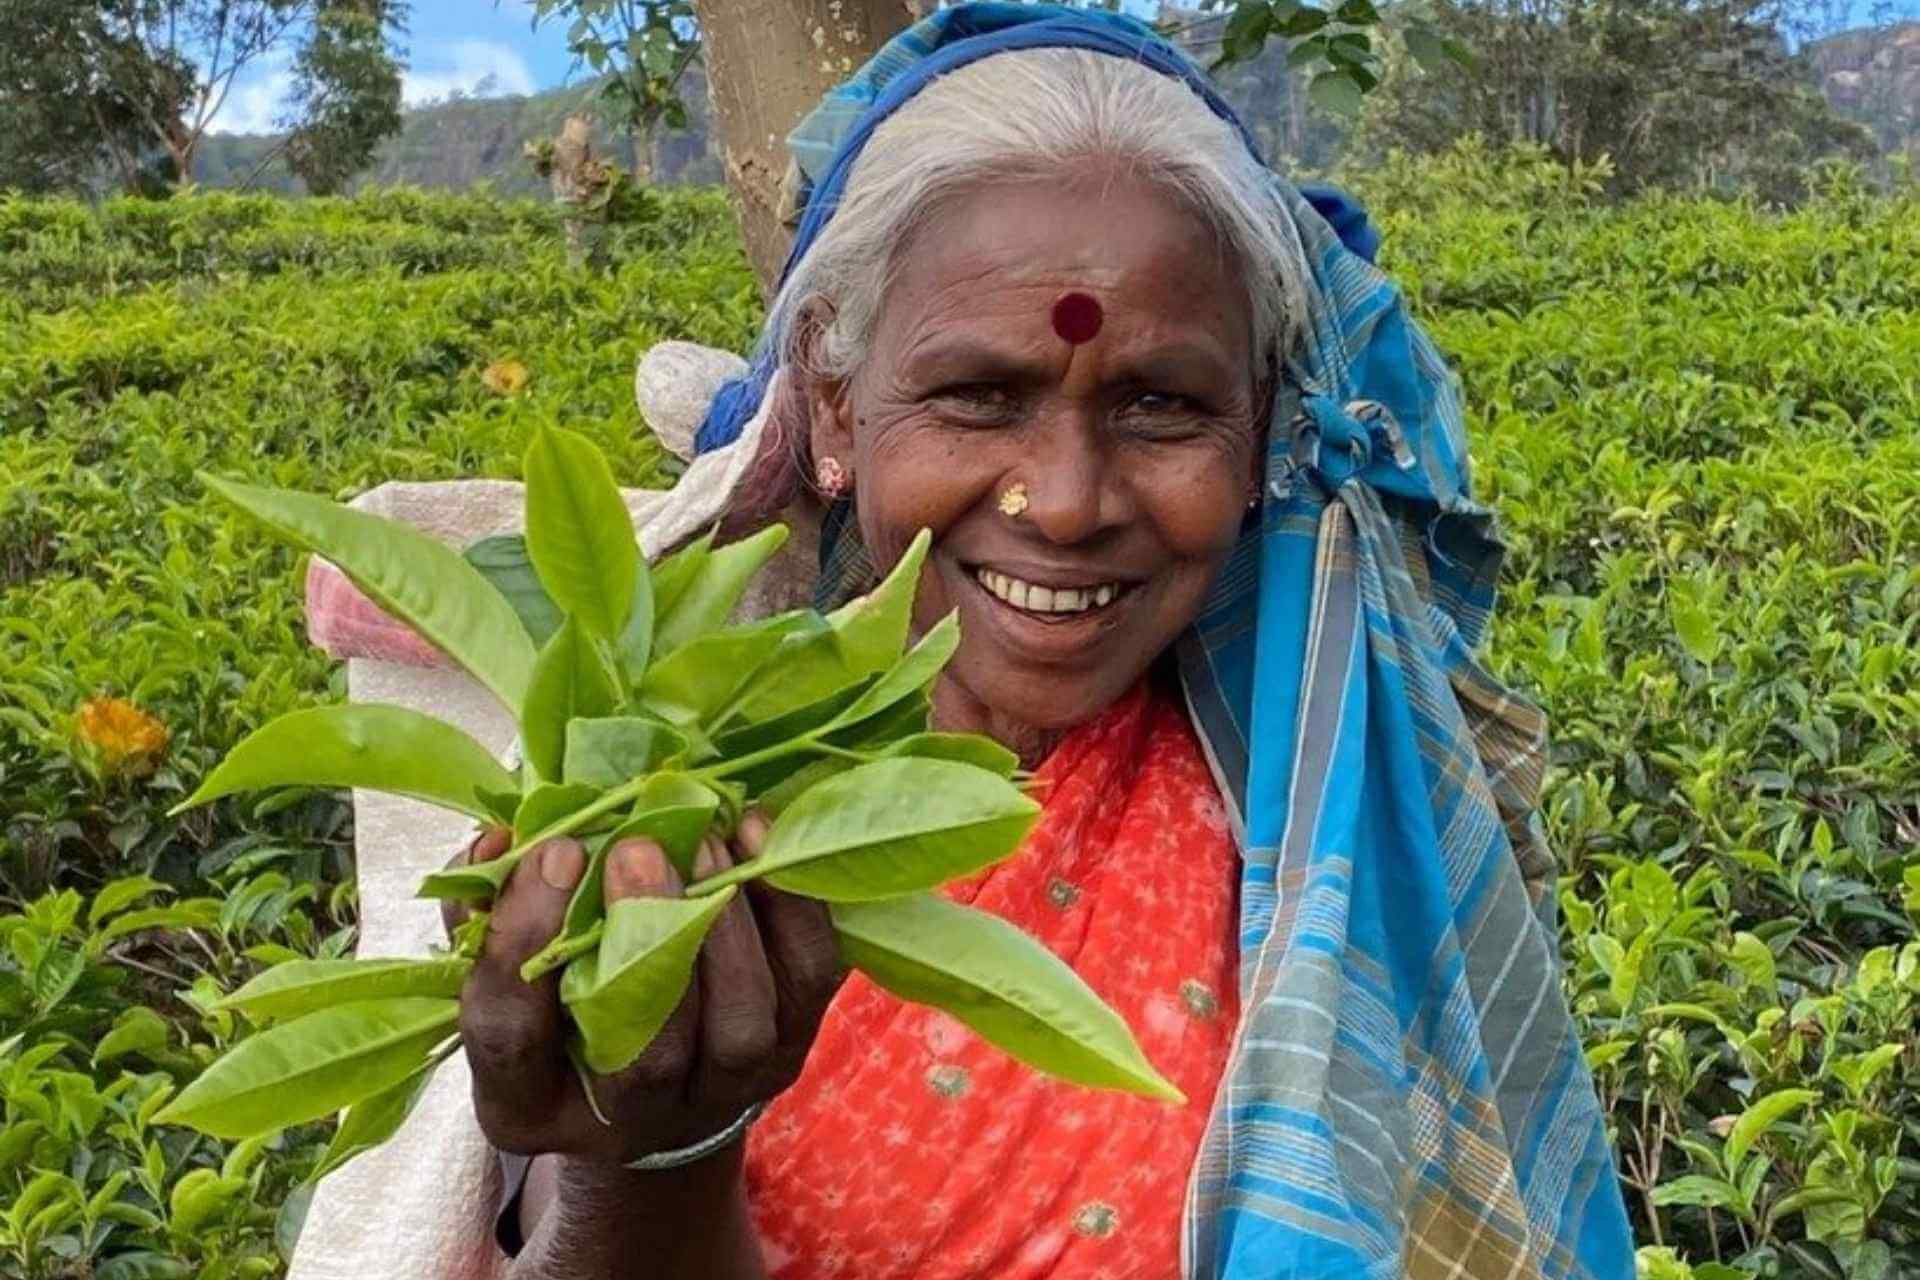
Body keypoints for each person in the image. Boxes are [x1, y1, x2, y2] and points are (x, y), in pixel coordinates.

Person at [316, 5, 1636, 1277]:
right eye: (975, 396)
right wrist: (653, 1153)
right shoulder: (685, 807)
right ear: (835, 412)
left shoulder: (1325, 829)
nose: (1062, 499)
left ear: (1261, 435)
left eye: (1163, 406)